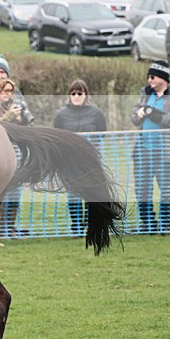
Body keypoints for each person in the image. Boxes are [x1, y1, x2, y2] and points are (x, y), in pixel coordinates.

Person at [130, 61, 170, 235]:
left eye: (152, 76)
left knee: (167, 189)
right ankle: (148, 224)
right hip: (143, 150)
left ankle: (166, 225)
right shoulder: (145, 93)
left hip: (166, 152)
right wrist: (138, 115)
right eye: (148, 76)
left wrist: (156, 115)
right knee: (142, 188)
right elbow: (134, 116)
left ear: (163, 77)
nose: (149, 80)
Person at [53, 79, 107, 235]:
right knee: (73, 193)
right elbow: (58, 136)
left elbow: (102, 132)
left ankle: (91, 223)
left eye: (80, 93)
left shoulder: (96, 113)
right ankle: (76, 225)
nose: (76, 96)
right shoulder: (61, 115)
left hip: (90, 160)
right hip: (69, 161)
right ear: (69, 95)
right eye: (73, 93)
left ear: (86, 94)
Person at [0, 77, 31, 238]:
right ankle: (0, 230)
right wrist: (10, 116)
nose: (8, 94)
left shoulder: (12, 106)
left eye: (11, 91)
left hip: (13, 153)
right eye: (5, 90)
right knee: (0, 194)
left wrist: (20, 119)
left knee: (15, 193)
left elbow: (22, 130)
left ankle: (10, 226)